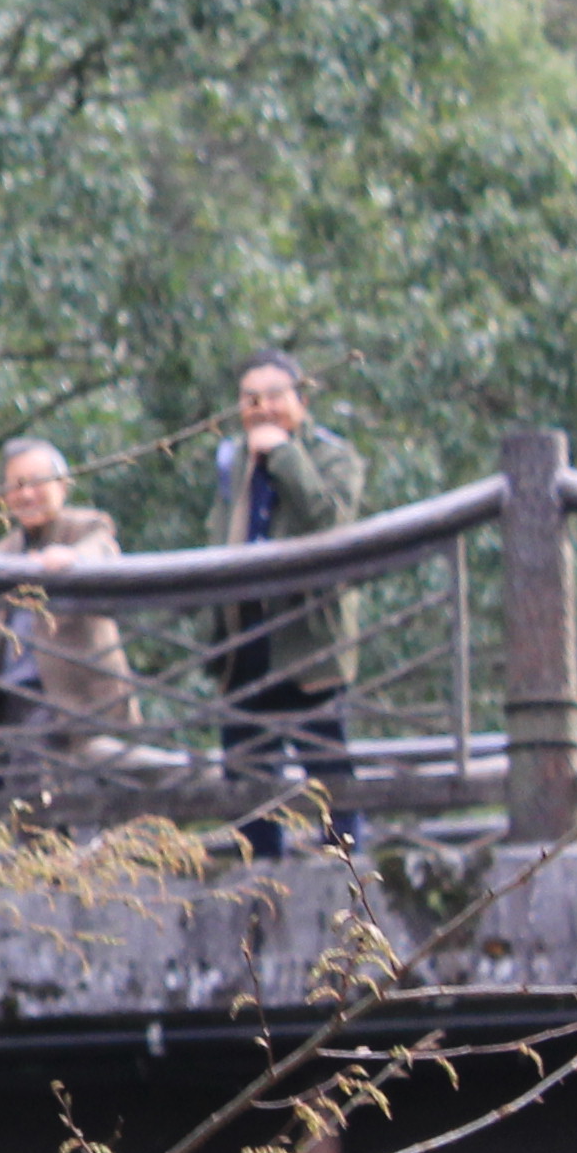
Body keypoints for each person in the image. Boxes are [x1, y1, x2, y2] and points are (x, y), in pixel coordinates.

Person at [206, 350, 365, 856]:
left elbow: (329, 521)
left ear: (302, 399)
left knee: (326, 758)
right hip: (244, 631)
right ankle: (257, 863)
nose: (262, 408)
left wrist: (283, 455)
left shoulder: (333, 455)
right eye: (250, 399)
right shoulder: (232, 458)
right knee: (245, 761)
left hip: (308, 632)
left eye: (275, 396)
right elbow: (221, 531)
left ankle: (347, 859)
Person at [0, 435, 133, 768]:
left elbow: (103, 548)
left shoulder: (85, 527)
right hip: (14, 699)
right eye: (16, 485)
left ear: (63, 486)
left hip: (76, 699)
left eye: (38, 482)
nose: (27, 494)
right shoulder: (3, 551)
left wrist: (73, 559)